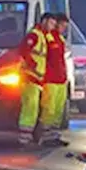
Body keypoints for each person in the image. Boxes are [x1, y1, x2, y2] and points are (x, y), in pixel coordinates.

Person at [16, 12, 62, 146]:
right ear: (44, 21)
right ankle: (24, 140)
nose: (53, 27)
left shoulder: (42, 35)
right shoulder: (35, 35)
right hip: (29, 77)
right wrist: (33, 65)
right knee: (29, 109)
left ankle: (27, 139)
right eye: (52, 23)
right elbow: (23, 51)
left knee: (33, 109)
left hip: (36, 79)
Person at [42, 14, 72, 145]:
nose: (63, 29)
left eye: (65, 27)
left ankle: (54, 136)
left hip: (60, 79)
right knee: (49, 109)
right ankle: (45, 136)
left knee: (58, 110)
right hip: (50, 79)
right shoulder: (47, 37)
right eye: (62, 26)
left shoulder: (60, 39)